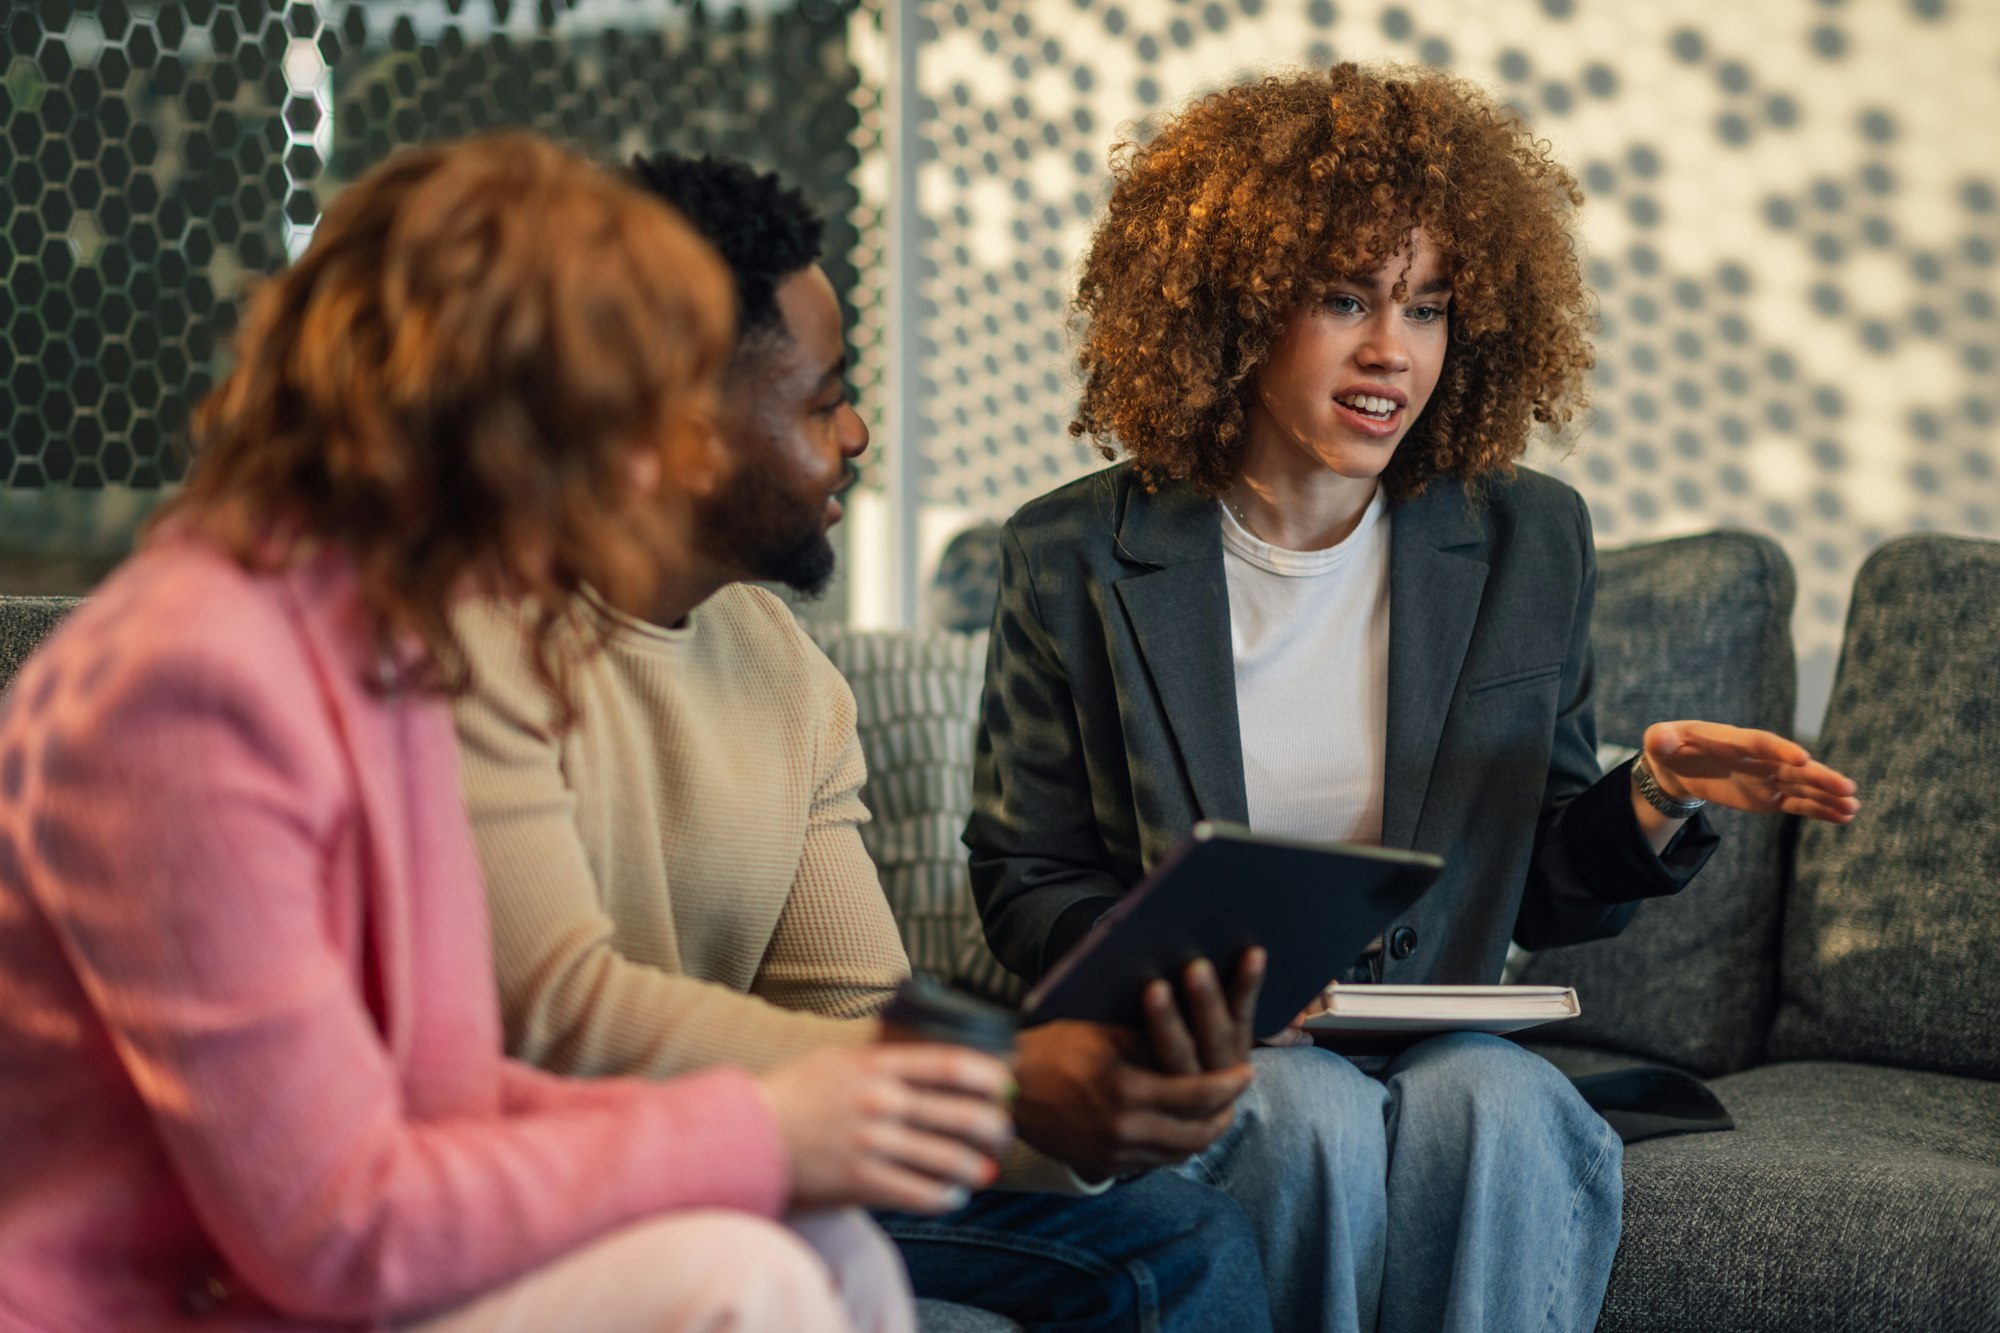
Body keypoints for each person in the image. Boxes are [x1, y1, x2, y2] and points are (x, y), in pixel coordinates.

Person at [0, 134, 1016, 1333]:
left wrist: (794, 1128)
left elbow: (444, 1094)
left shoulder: (389, 646)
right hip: (186, 1301)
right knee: (749, 1280)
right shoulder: (191, 685)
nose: (667, 463)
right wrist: (758, 1125)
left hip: (314, 1277)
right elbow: (337, 1226)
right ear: (492, 417)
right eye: (634, 417)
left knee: (822, 1240)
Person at [964, 63, 1862, 1333]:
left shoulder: (1522, 537)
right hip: (1226, 1058)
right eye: (1343, 299)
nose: (1392, 351)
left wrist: (1653, 796)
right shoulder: (1071, 555)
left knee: (1491, 1097)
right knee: (1311, 1110)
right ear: (1232, 311)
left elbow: (1543, 880)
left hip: (1442, 1042)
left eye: (1429, 308)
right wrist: (1187, 995)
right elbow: (1024, 872)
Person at [451, 151, 1274, 1332]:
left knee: (1177, 1235)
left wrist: (1057, 1102)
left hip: (743, 1155)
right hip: (526, 1173)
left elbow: (852, 1019)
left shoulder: (787, 671)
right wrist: (998, 1079)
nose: (854, 432)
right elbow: (553, 1015)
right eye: (820, 396)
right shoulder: (457, 640)